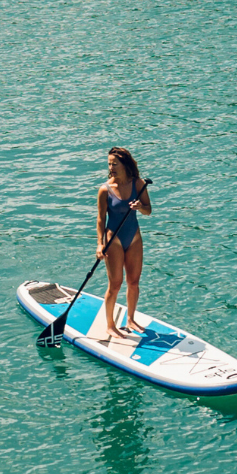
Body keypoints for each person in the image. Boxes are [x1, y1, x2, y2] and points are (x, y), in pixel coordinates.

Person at [97, 145, 151, 338]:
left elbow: (148, 210)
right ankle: (110, 325)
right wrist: (100, 244)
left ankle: (130, 319)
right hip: (114, 240)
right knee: (115, 285)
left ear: (124, 164)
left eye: (114, 164)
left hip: (134, 237)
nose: (111, 167)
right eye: (109, 164)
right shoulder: (105, 189)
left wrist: (139, 207)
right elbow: (101, 219)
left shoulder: (138, 184)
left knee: (133, 282)